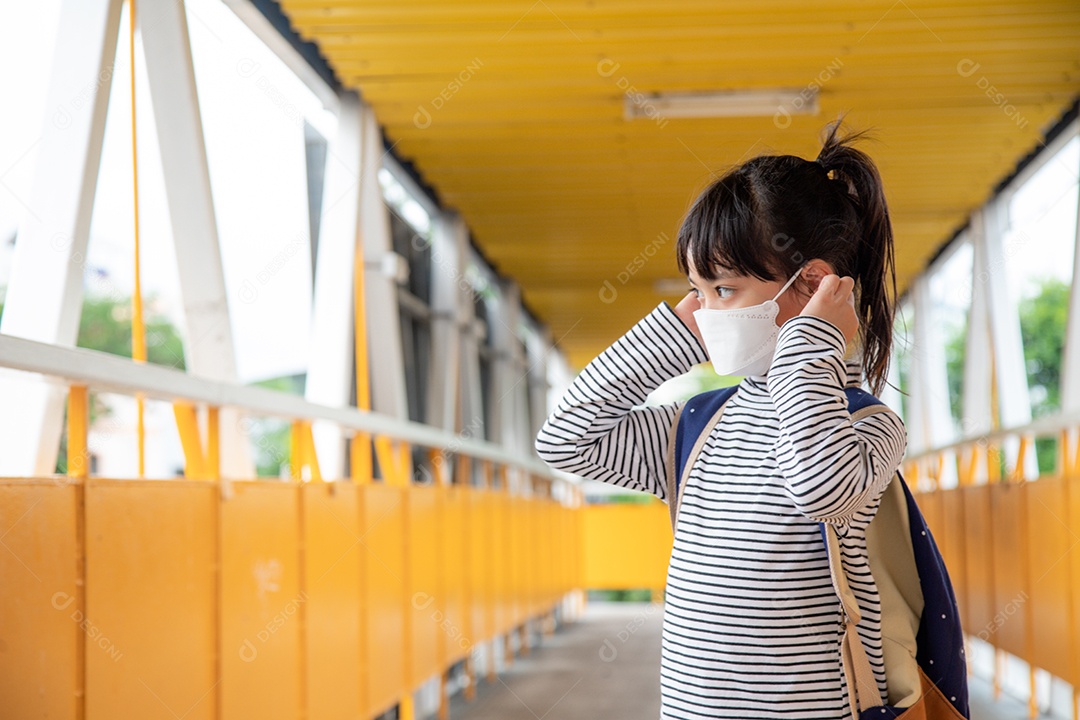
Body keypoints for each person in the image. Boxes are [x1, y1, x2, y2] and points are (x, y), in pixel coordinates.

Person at [534, 117, 908, 719]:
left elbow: (819, 488)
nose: (705, 311)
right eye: (696, 290)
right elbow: (566, 440)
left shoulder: (868, 425)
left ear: (811, 282)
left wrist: (810, 345)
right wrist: (672, 339)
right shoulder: (696, 425)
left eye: (722, 290)